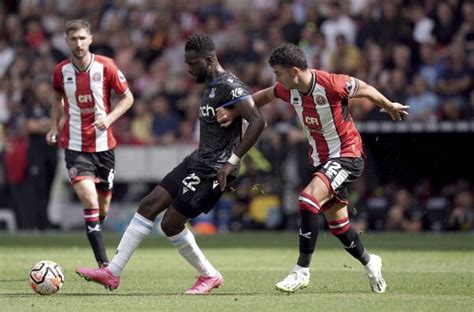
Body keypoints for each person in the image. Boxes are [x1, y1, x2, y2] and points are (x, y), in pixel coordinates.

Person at [75, 33, 265, 294]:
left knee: (170, 224)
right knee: (148, 205)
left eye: (192, 64)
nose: (188, 69)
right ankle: (112, 272)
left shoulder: (229, 85)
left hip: (216, 168)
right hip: (198, 160)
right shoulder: (212, 86)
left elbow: (258, 121)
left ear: (209, 60)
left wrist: (232, 161)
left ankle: (209, 275)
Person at [217, 43, 409, 293]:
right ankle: (370, 263)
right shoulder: (289, 89)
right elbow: (263, 96)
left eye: (278, 73)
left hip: (347, 155)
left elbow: (365, 88)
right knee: (339, 227)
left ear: (294, 71)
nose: (276, 79)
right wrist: (234, 111)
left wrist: (389, 104)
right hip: (321, 160)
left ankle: (301, 271)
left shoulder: (331, 83)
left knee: (307, 200)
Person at [46, 19, 134, 267]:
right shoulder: (60, 71)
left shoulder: (106, 67)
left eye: (83, 38)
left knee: (103, 205)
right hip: (75, 145)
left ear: (91, 39)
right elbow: (56, 97)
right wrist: (54, 125)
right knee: (89, 199)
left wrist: (110, 117)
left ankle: (96, 230)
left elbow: (128, 98)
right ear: (67, 41)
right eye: (73, 39)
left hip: (104, 146)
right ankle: (104, 264)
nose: (79, 43)